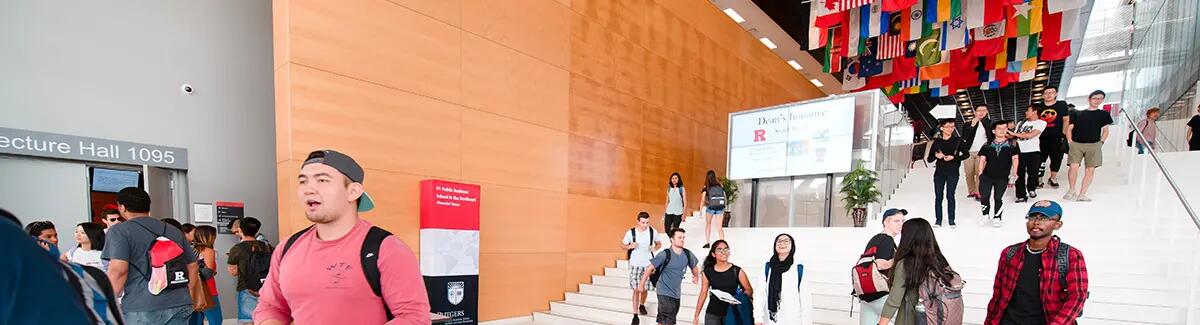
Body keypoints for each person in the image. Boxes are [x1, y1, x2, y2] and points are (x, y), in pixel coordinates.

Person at [254, 149, 430, 324]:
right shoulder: (287, 248)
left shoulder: (386, 248)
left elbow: (413, 317)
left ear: (353, 191)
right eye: (303, 181)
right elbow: (270, 307)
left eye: (322, 180)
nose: (308, 189)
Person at [102, 187, 203, 324]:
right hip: (180, 303)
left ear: (122, 207)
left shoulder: (120, 231)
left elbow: (119, 271)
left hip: (142, 306)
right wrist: (188, 293)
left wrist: (105, 303)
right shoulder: (173, 230)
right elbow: (193, 265)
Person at [984, 200, 1089, 324]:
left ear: (1058, 225)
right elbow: (998, 294)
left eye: (1044, 218)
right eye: (1032, 217)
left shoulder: (1070, 255)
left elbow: (1077, 297)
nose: (1036, 222)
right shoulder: (1009, 253)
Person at [0, 208, 95, 324]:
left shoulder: (70, 269)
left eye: (55, 235)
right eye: (48, 237)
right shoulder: (23, 271)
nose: (54, 240)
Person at [877, 218, 958, 325]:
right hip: (936, 319)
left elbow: (894, 300)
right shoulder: (939, 261)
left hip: (912, 319)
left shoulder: (906, 263)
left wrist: (881, 323)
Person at [639, 228, 700, 325]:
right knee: (669, 321)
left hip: (676, 293)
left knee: (662, 321)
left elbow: (694, 266)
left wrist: (696, 276)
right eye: (679, 237)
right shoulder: (665, 254)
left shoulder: (687, 254)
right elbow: (650, 267)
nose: (682, 240)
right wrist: (641, 284)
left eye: (683, 237)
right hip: (664, 291)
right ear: (672, 239)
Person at [752, 233, 813, 325]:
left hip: (793, 319)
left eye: (786, 241)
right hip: (770, 319)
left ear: (792, 246)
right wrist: (758, 317)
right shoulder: (767, 267)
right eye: (779, 241)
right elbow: (760, 293)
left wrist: (807, 322)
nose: (782, 243)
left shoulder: (798, 268)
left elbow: (806, 299)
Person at [857, 208, 904, 325]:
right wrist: (901, 259)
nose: (901, 224)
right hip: (881, 292)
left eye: (903, 221)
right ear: (886, 222)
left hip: (867, 293)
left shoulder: (875, 239)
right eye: (896, 221)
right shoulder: (887, 239)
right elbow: (881, 264)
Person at [1065, 90, 1113, 202]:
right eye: (1095, 98)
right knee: (1073, 166)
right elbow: (1069, 129)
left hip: (1094, 144)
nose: (1097, 101)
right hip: (1076, 143)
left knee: (1090, 169)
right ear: (1089, 99)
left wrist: (1101, 142)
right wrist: (1070, 141)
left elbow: (1105, 130)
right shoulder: (1076, 113)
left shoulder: (1104, 114)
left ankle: (1082, 193)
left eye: (1100, 99)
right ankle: (1071, 189)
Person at [692, 240, 753, 325]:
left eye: (725, 249)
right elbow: (703, 293)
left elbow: (749, 290)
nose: (723, 252)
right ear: (714, 254)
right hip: (712, 314)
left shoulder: (737, 271)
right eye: (719, 249)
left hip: (732, 313)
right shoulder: (707, 271)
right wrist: (696, 316)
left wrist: (737, 299)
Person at [227, 216, 270, 325]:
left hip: (246, 288)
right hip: (265, 288)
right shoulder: (266, 246)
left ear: (240, 230)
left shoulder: (237, 249)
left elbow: (233, 272)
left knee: (248, 321)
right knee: (265, 320)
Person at [622, 212, 662, 324]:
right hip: (635, 264)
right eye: (643, 222)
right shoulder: (631, 232)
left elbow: (659, 244)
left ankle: (642, 305)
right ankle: (635, 315)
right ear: (638, 221)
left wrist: (654, 248)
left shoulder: (652, 231)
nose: (645, 225)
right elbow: (622, 245)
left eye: (647, 222)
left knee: (644, 290)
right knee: (636, 290)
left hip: (648, 264)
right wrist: (630, 246)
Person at [978, 122, 1019, 227]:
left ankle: (997, 217)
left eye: (1004, 128)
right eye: (999, 128)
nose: (1002, 130)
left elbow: (1015, 158)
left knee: (998, 197)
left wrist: (1014, 173)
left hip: (1002, 176)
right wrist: (980, 172)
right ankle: (985, 214)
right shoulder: (987, 144)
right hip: (987, 175)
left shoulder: (1012, 143)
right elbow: (982, 159)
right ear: (994, 131)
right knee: (984, 195)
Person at [927, 119, 967, 227]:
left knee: (950, 196)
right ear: (942, 128)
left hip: (953, 172)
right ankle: (938, 220)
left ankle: (951, 220)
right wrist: (936, 155)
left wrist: (954, 157)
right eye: (948, 126)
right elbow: (929, 159)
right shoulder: (937, 142)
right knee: (938, 196)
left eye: (952, 126)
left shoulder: (958, 140)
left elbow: (966, 154)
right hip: (939, 173)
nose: (950, 129)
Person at [1036, 87, 1070, 188]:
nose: (1049, 95)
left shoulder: (1061, 105)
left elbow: (1066, 120)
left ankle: (1053, 178)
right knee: (1040, 159)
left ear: (1056, 94)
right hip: (1041, 138)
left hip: (1057, 137)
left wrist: (1063, 135)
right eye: (1046, 93)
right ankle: (1039, 179)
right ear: (1042, 95)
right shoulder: (1039, 107)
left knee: (1056, 158)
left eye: (1052, 92)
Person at [189, 226, 222, 325]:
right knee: (216, 320)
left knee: (196, 321)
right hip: (208, 290)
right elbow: (208, 273)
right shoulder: (208, 250)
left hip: (194, 290)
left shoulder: (191, 249)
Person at [1013, 107, 1047, 203]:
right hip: (1020, 151)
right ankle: (1020, 195)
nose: (1026, 112)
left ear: (1035, 111)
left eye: (1028, 110)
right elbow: (1015, 137)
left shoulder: (1041, 123)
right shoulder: (1021, 123)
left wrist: (1013, 133)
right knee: (1019, 174)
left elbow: (1030, 135)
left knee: (1033, 173)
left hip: (1033, 151)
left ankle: (1031, 189)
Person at [962, 105, 995, 200]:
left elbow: (991, 137)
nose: (981, 112)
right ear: (975, 112)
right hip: (968, 152)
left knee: (979, 173)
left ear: (987, 112)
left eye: (983, 110)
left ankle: (978, 192)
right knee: (969, 173)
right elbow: (964, 137)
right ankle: (971, 191)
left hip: (982, 152)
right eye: (978, 110)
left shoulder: (990, 123)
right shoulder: (968, 123)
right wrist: (972, 125)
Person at [700, 170, 726, 248]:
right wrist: (724, 207)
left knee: (708, 224)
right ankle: (723, 245)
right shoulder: (720, 186)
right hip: (720, 207)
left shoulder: (706, 187)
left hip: (710, 208)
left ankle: (707, 243)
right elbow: (724, 197)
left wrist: (701, 210)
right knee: (719, 227)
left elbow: (702, 200)